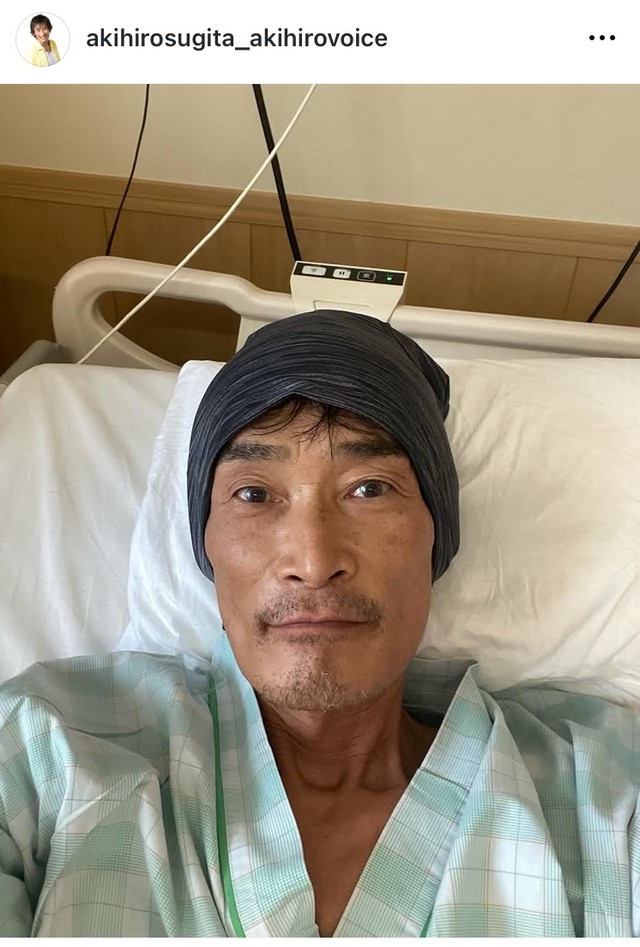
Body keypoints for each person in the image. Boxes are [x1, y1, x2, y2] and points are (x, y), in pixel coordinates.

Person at [1, 309, 639, 937]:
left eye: (370, 488)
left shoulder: (607, 798)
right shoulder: (45, 749)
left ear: (436, 541)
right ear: (208, 548)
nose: (312, 561)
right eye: (254, 494)